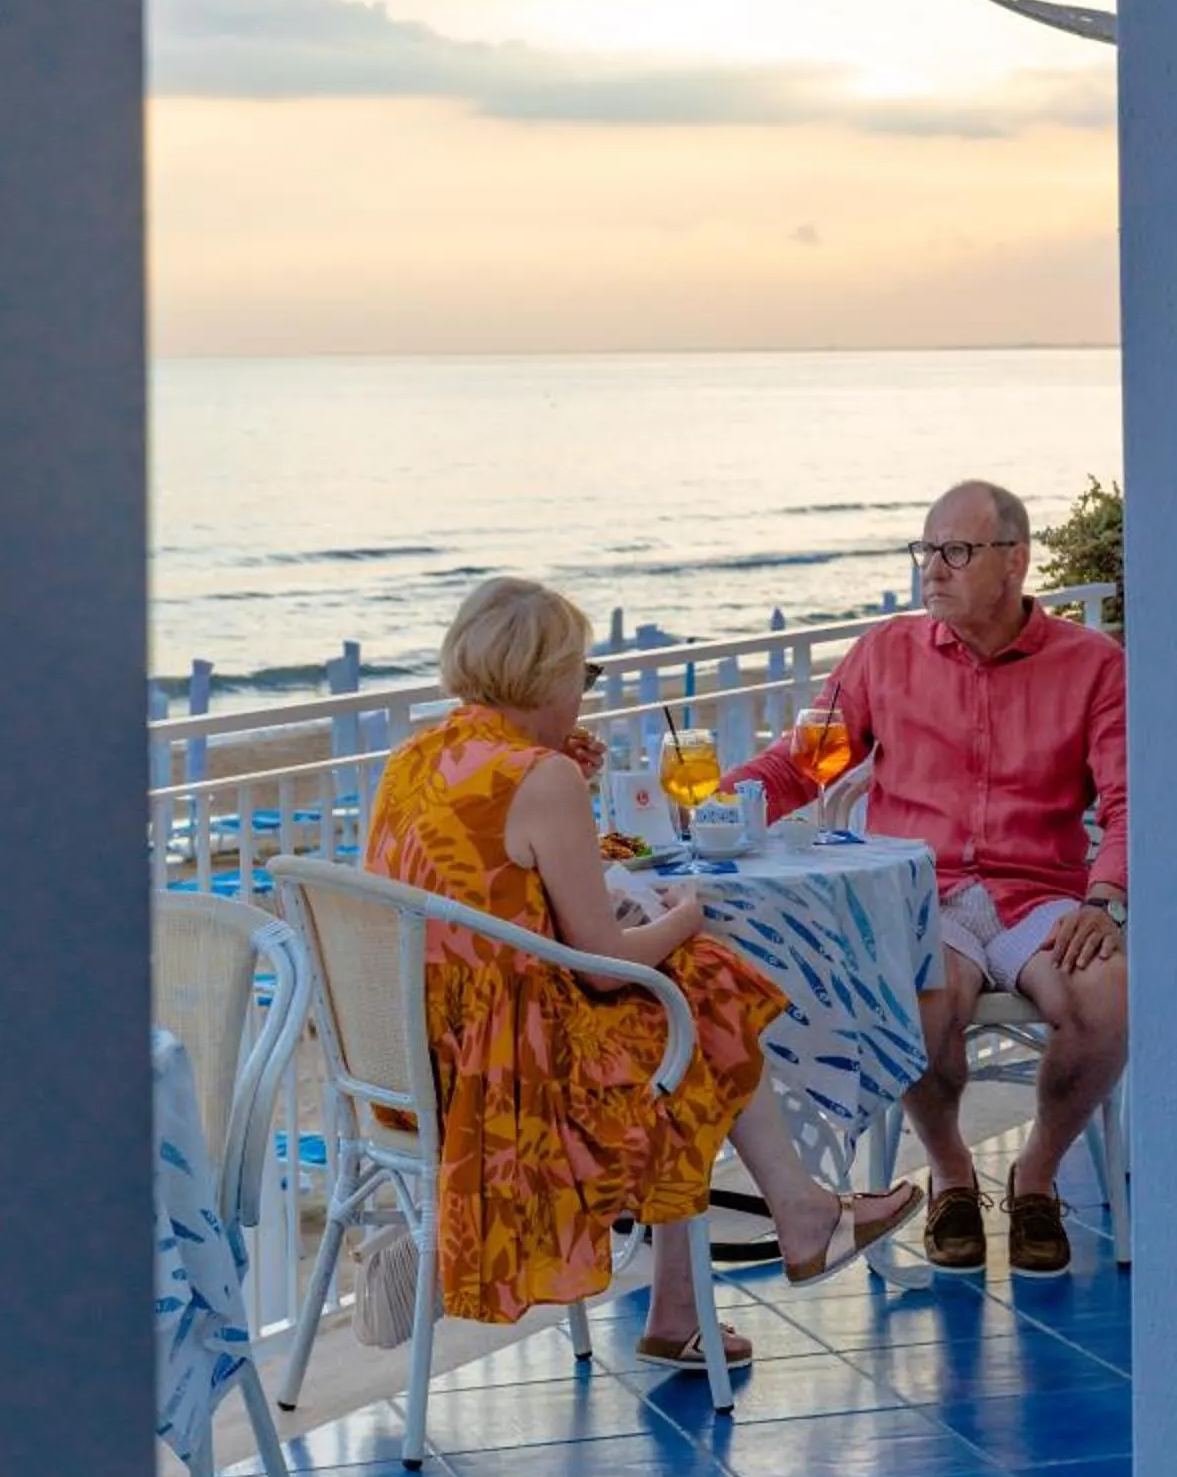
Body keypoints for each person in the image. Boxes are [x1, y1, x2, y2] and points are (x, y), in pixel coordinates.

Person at [367, 575, 922, 1368]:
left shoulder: (416, 758)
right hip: (503, 1087)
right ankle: (784, 1226)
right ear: (548, 676)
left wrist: (560, 783)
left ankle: (723, 1277)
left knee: (691, 1001)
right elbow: (602, 968)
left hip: (414, 1064)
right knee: (703, 993)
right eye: (583, 676)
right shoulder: (538, 778)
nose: (584, 695)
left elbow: (486, 889)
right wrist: (684, 912)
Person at [729, 479, 1127, 1279]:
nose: (933, 570)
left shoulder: (1093, 666)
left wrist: (1105, 897)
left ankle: (1037, 1178)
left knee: (1106, 996)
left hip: (1040, 890)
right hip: (922, 894)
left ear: (1014, 563)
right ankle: (950, 1174)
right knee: (917, 996)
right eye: (926, 550)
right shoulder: (886, 655)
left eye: (956, 552)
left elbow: (1129, 799)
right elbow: (802, 766)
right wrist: (707, 806)